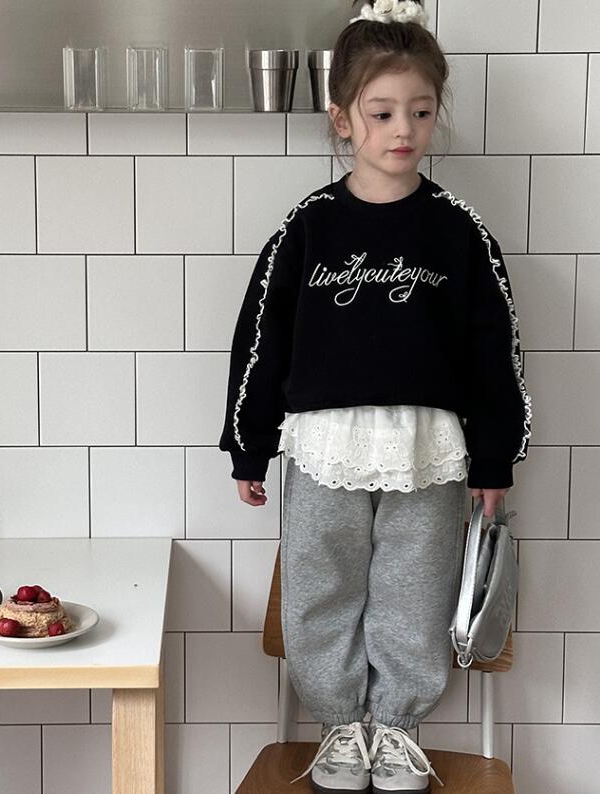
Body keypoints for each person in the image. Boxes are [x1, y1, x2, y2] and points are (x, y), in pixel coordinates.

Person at [218, 1, 533, 791]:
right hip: (321, 449)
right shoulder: (308, 228)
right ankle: (337, 727)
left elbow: (494, 352)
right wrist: (248, 445)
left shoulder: (458, 231)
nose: (404, 129)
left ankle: (393, 729)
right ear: (342, 119)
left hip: (429, 453)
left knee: (412, 593)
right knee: (319, 588)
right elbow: (261, 340)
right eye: (382, 112)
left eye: (420, 112)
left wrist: (494, 457)